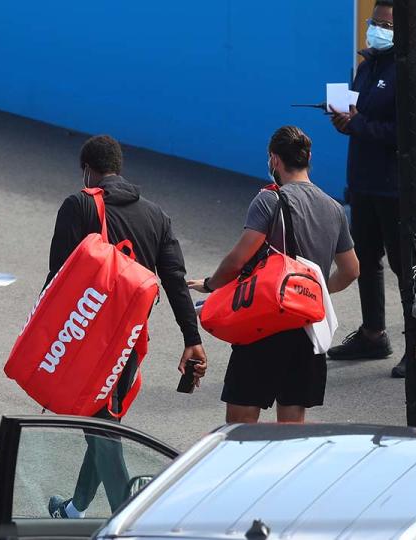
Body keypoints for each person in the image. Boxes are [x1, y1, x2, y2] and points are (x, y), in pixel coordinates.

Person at [45, 135, 208, 519]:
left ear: (88, 170)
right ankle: (75, 509)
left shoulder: (79, 204)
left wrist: (44, 343)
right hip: (130, 342)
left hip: (86, 337)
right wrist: (192, 339)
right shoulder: (157, 216)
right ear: (118, 167)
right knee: (104, 418)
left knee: (101, 425)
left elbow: (57, 278)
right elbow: (175, 281)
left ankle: (126, 519)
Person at [188, 126, 359, 424]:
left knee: (241, 426)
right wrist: (311, 291)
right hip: (306, 327)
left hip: (263, 323)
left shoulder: (270, 200)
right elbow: (351, 269)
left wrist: (210, 285)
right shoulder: (334, 208)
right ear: (308, 158)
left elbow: (238, 259)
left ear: (274, 160)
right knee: (291, 425)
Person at [327, 0, 416, 378]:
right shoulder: (366, 68)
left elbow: (406, 134)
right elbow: (356, 116)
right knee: (365, 260)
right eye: (374, 21)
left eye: (385, 24)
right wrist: (342, 120)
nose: (377, 28)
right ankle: (373, 335)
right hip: (362, 182)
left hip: (394, 187)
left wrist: (359, 124)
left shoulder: (407, 73)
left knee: (404, 267)